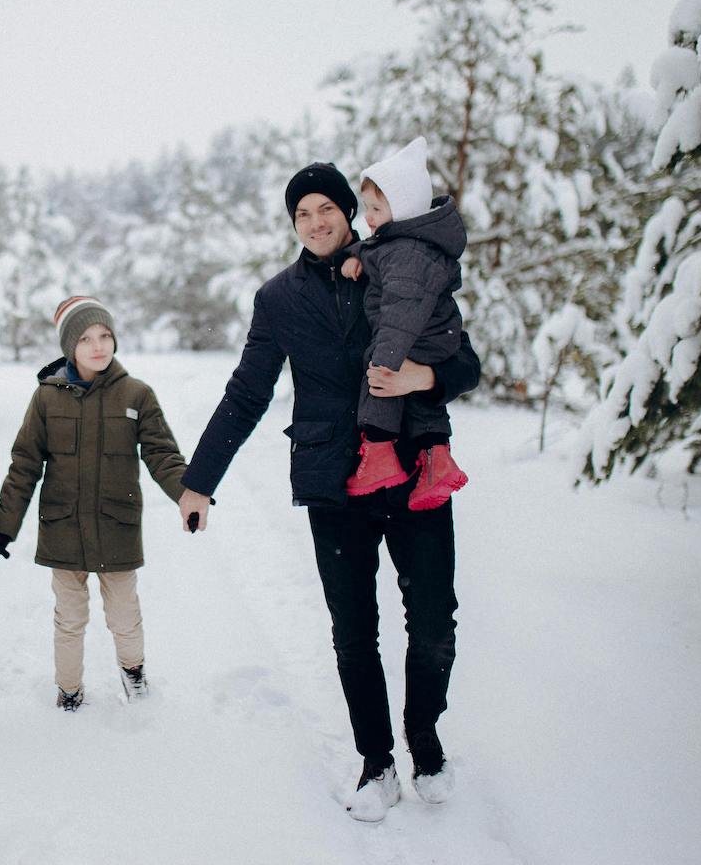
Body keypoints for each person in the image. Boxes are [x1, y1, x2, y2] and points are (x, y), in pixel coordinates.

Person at [177, 162, 480, 823]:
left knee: (433, 623)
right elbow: (247, 394)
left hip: (413, 470)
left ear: (349, 211)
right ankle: (377, 763)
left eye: (326, 208)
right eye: (301, 214)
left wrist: (420, 380)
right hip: (332, 483)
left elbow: (465, 363)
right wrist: (198, 482)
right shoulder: (279, 299)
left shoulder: (399, 266)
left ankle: (426, 745)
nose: (315, 222)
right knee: (354, 633)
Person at [0, 296, 188, 710]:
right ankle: (69, 691)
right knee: (69, 619)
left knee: (124, 615)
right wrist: (2, 528)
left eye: (105, 336)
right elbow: (24, 466)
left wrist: (188, 493)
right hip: (64, 525)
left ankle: (134, 675)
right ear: (69, 347)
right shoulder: (46, 398)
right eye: (86, 338)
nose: (98, 346)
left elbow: (162, 454)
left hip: (117, 523)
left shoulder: (137, 395)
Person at [336, 137, 469, 508]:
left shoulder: (409, 256)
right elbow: (378, 249)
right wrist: (356, 253)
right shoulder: (402, 243)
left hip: (413, 335)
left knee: (380, 378)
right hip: (435, 336)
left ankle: (378, 451)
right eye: (367, 207)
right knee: (419, 400)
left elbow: (400, 309)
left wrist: (385, 360)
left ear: (405, 208)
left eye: (376, 208)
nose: (369, 218)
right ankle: (436, 459)